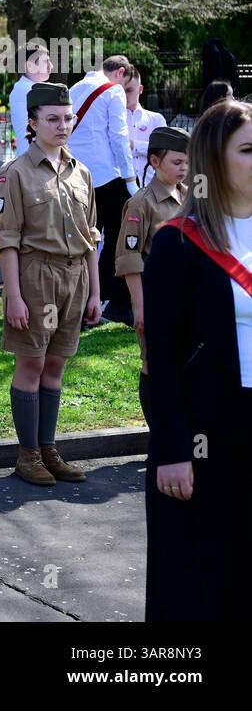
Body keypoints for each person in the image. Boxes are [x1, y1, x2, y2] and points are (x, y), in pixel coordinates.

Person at [143, 99, 252, 620]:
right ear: (213, 159)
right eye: (249, 150)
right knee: (198, 577)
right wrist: (173, 448)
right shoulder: (177, 245)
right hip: (208, 431)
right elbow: (159, 360)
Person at [0, 81, 101, 486]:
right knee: (32, 362)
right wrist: (14, 297)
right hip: (36, 276)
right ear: (32, 123)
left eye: (68, 117)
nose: (62, 125)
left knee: (56, 364)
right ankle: (28, 455)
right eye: (53, 119)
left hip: (74, 276)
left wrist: (95, 290)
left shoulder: (82, 173)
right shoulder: (16, 173)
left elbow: (91, 235)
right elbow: (7, 241)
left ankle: (47, 447)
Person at [114, 126, 188, 423]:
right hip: (155, 298)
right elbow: (129, 257)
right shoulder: (141, 203)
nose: (184, 168)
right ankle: (157, 434)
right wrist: (140, 305)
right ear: (155, 162)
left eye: (187, 162)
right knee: (154, 364)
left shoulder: (190, 197)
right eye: (176, 162)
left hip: (187, 297)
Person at [67, 55, 136, 323]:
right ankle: (113, 297)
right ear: (120, 73)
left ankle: (84, 300)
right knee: (118, 239)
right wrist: (130, 180)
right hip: (108, 176)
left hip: (78, 176)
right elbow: (118, 136)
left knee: (83, 240)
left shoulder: (74, 89)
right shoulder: (114, 90)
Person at [122, 65, 166, 186]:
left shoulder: (156, 119)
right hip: (121, 189)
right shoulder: (111, 120)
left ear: (140, 89)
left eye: (129, 90)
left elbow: (163, 151)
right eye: (121, 90)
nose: (124, 95)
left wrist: (133, 145)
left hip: (151, 186)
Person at [9, 44, 51, 158]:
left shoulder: (27, 88)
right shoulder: (29, 90)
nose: (51, 66)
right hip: (34, 160)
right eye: (45, 62)